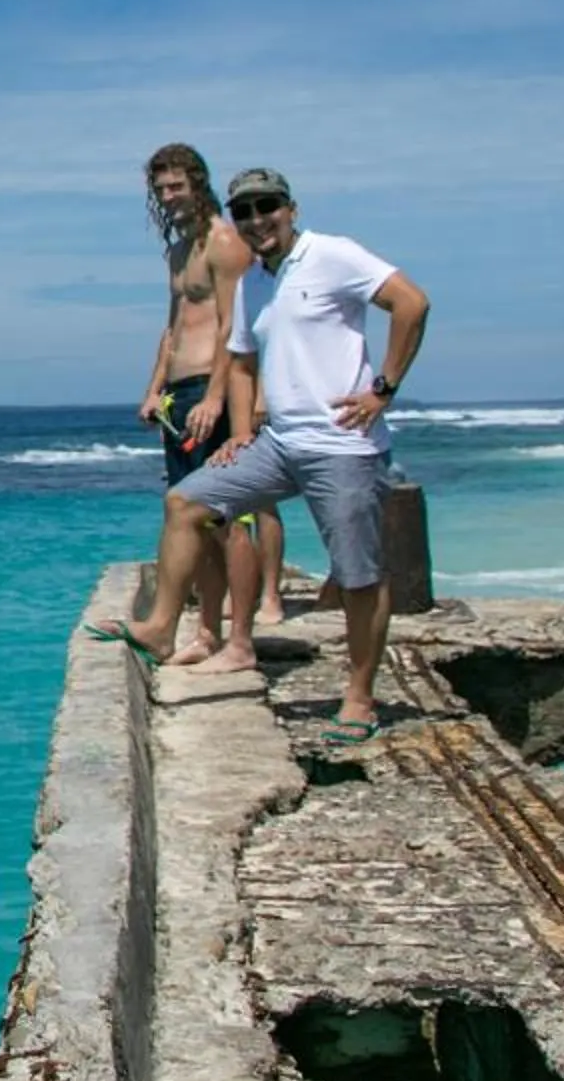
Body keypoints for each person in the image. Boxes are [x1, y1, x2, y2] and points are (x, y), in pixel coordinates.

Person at [101, 167, 429, 740]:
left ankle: (358, 698)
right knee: (186, 502)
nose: (257, 219)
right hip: (278, 442)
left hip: (343, 446)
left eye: (267, 206)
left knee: (357, 576)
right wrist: (243, 431)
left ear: (291, 208)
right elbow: (245, 359)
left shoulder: (333, 255)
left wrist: (383, 389)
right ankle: (159, 629)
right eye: (245, 211)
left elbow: (411, 303)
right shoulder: (255, 280)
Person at [134, 143, 266, 674]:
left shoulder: (224, 242)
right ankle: (206, 631)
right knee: (195, 519)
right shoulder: (178, 249)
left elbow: (234, 329)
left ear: (198, 183)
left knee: (228, 520)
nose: (168, 198)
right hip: (179, 393)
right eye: (161, 189)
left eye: (176, 187)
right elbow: (174, 326)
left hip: (212, 393)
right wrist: (153, 388)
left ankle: (241, 640)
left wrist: (217, 398)